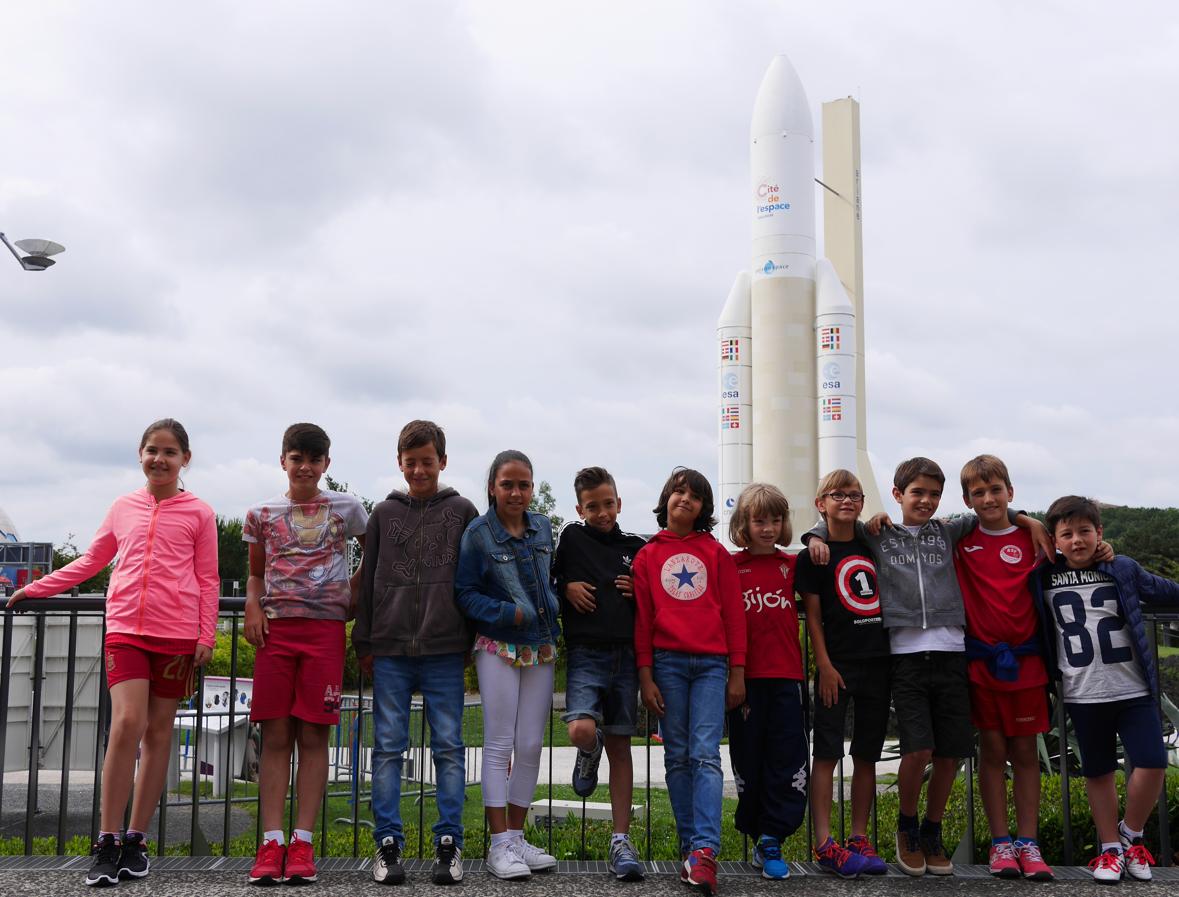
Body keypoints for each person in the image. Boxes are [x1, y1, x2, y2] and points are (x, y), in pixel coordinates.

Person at [805, 457, 1053, 877]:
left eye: (933, 494)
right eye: (916, 492)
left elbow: (989, 509)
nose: (925, 500)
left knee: (952, 751)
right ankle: (907, 827)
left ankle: (931, 827)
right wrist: (813, 534)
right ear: (898, 494)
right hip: (903, 655)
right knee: (918, 747)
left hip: (952, 651)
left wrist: (1027, 520)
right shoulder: (877, 533)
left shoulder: (950, 529)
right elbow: (837, 525)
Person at [8, 419, 219, 887]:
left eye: (169, 452)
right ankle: (106, 839)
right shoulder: (123, 506)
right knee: (127, 724)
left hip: (177, 635)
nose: (159, 459)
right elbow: (91, 560)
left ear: (186, 459)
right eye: (151, 450)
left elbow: (208, 578)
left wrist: (206, 635)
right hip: (125, 627)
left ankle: (136, 841)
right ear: (140, 455)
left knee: (159, 733)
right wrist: (37, 589)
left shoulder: (199, 513)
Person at [352, 420, 478, 885]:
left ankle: (450, 843)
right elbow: (366, 581)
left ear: (442, 461)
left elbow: (473, 577)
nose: (419, 470)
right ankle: (388, 844)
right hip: (390, 646)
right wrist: (363, 640)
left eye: (428, 461)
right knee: (387, 749)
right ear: (400, 464)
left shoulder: (462, 510)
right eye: (411, 463)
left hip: (446, 646)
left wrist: (470, 637)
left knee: (449, 747)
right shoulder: (383, 513)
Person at [243, 423, 368, 885]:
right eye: (296, 458)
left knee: (314, 737)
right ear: (283, 461)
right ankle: (271, 841)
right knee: (275, 737)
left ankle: (303, 843)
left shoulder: (348, 507)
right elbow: (255, 575)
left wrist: (353, 588)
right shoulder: (260, 513)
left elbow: (371, 553)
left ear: (326, 465)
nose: (305, 467)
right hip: (275, 634)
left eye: (314, 460)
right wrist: (253, 607)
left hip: (325, 633)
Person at [1032, 496, 1179, 884]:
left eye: (1085, 531)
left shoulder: (1122, 567)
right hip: (1082, 692)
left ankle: (1131, 835)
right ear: (1055, 540)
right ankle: (1110, 848)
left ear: (1100, 533)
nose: (1077, 540)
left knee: (1152, 761)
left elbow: (1165, 591)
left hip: (1132, 688)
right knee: (1097, 772)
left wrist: (1115, 559)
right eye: (1067, 534)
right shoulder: (1042, 575)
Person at [633, 467, 746, 897]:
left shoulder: (715, 553)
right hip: (667, 664)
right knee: (677, 757)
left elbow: (734, 615)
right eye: (679, 492)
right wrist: (645, 675)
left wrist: (738, 670)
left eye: (695, 496)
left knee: (705, 755)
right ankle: (689, 848)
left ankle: (705, 850)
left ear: (704, 508)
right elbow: (643, 620)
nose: (686, 499)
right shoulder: (647, 556)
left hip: (713, 666)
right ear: (666, 500)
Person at [455, 450, 560, 881]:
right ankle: (499, 845)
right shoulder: (479, 533)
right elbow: (464, 593)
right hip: (498, 645)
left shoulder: (543, 528)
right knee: (499, 744)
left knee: (531, 744)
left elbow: (550, 577)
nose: (516, 493)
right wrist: (506, 612)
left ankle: (516, 837)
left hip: (541, 646)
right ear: (493, 487)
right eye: (507, 485)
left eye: (524, 485)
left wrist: (555, 600)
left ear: (532, 488)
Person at [955, 455, 1055, 880]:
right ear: (968, 500)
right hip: (982, 665)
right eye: (979, 492)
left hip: (1028, 665)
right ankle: (1000, 844)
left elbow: (1076, 552)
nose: (989, 498)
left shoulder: (1036, 539)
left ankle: (1028, 844)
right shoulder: (958, 541)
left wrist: (1029, 521)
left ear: (1010, 492)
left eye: (996, 489)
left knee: (1026, 754)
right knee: (992, 753)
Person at [553, 466, 647, 881]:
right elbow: (548, 580)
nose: (603, 512)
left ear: (619, 503)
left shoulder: (636, 546)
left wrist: (639, 591)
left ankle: (621, 839)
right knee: (581, 730)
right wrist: (566, 588)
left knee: (622, 747)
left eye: (608, 504)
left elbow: (654, 600)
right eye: (593, 507)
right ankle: (588, 753)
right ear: (580, 508)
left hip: (626, 656)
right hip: (586, 653)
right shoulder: (571, 538)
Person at [794, 470, 887, 878]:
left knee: (866, 754)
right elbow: (813, 618)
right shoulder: (813, 554)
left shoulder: (873, 545)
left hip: (878, 664)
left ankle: (859, 837)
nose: (846, 501)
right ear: (821, 503)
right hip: (838, 665)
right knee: (827, 754)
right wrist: (825, 665)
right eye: (837, 495)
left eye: (854, 495)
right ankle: (824, 842)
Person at [726, 483, 808, 881]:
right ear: (744, 523)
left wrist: (818, 541)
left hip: (787, 677)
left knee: (787, 759)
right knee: (749, 759)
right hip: (745, 681)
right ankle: (758, 833)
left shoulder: (792, 566)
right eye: (760, 520)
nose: (769, 527)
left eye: (776, 519)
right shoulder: (731, 566)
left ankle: (773, 837)